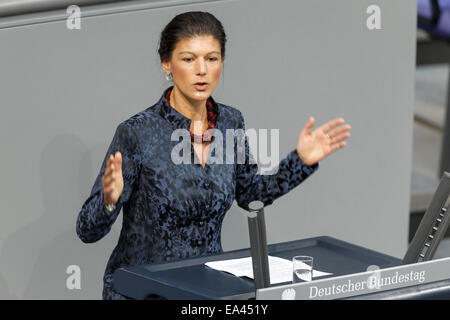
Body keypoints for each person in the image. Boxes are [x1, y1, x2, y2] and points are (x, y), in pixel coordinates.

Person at [76, 11, 351, 300]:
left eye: (211, 58)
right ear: (166, 64)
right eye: (188, 59)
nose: (202, 70)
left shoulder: (231, 122)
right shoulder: (137, 132)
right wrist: (108, 200)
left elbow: (250, 195)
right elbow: (86, 230)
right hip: (142, 292)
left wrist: (300, 161)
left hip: (206, 293)